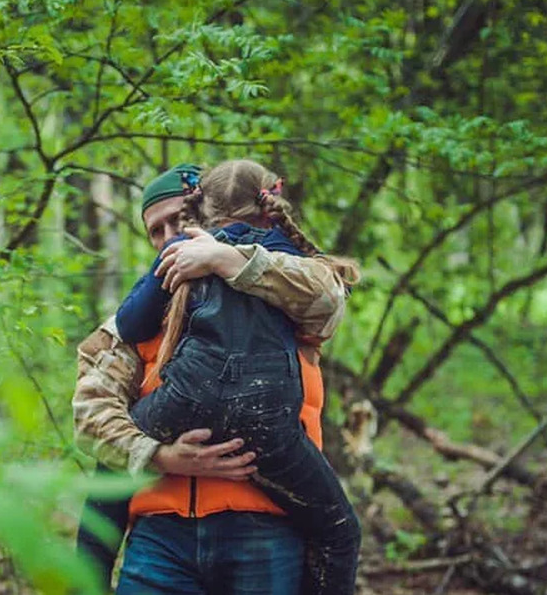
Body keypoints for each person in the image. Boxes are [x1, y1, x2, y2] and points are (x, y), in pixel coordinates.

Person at [72, 163, 360, 594]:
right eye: (156, 230)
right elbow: (90, 412)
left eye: (179, 221)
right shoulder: (138, 320)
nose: (170, 237)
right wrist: (159, 456)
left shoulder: (283, 288)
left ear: (209, 217)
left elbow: (328, 297)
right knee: (103, 485)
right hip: (160, 539)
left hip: (262, 529)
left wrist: (229, 259)